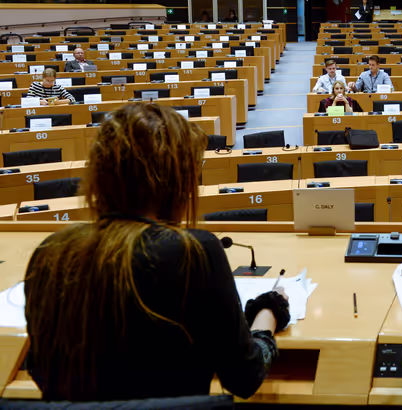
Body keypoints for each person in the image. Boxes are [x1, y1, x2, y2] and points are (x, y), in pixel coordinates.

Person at [23, 103, 290, 401]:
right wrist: (269, 310)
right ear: (176, 181)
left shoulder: (50, 253)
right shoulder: (194, 252)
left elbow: (38, 367)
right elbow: (244, 377)